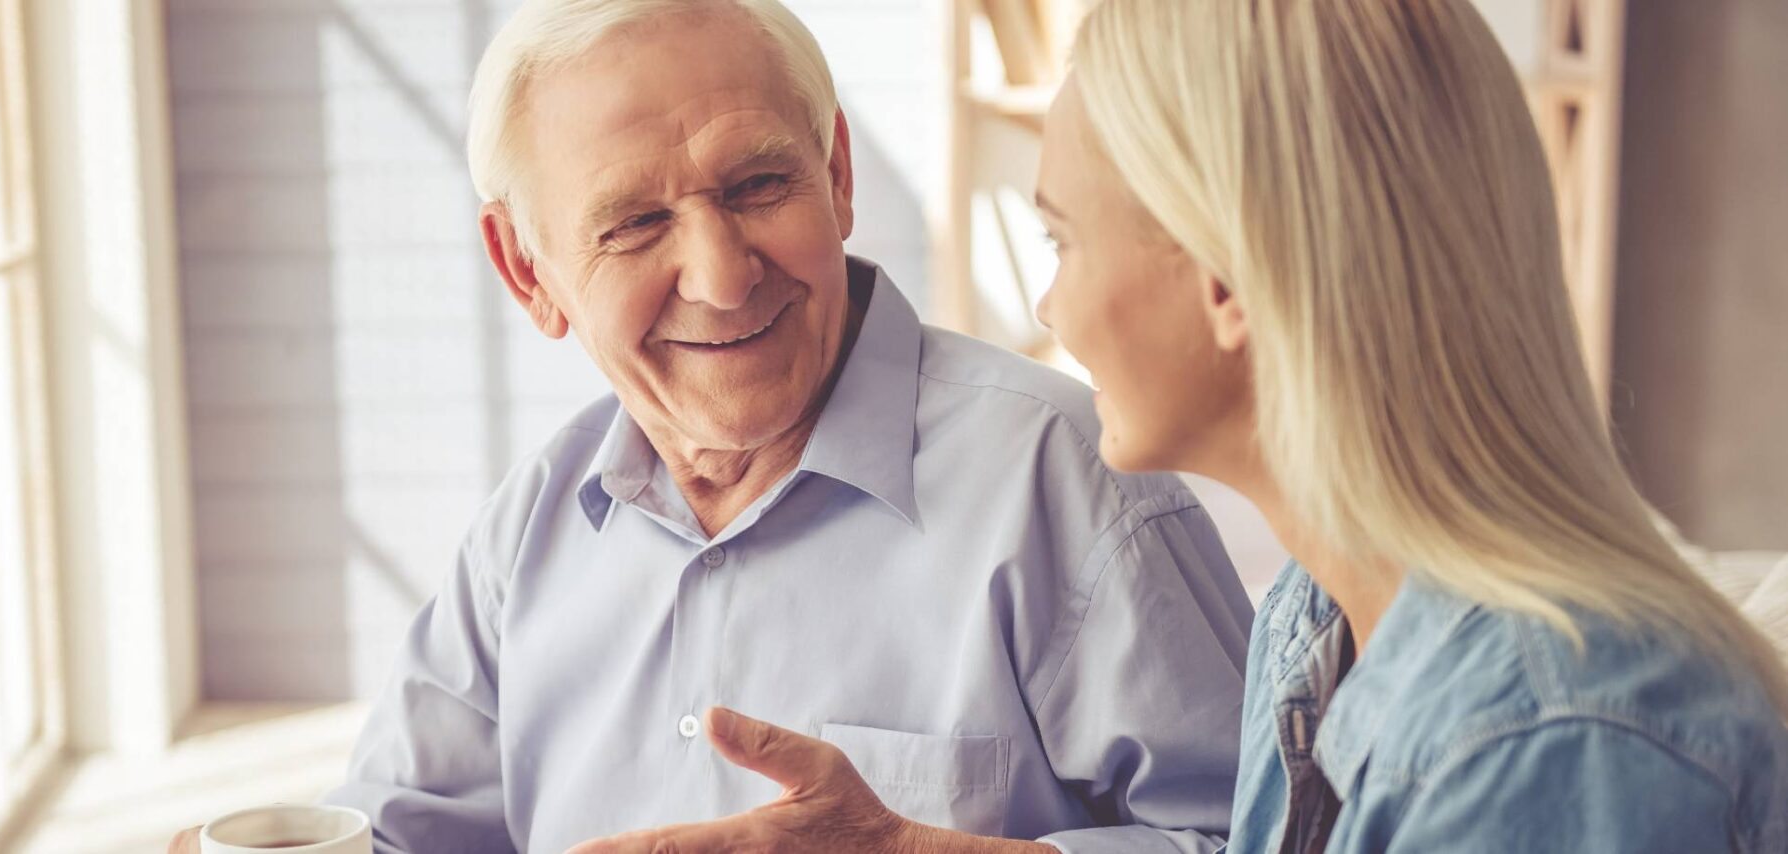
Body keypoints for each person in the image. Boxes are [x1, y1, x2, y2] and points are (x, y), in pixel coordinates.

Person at [571, 0, 1788, 852]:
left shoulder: (1554, 735)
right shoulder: (1320, 624)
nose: (1049, 304)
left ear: (1222, 275)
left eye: (1062, 239)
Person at [173, 1, 1255, 852]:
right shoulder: (532, 528)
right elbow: (404, 827)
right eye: (636, 221)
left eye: (757, 183)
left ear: (835, 177)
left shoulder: (1068, 474)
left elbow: (1269, 835)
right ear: (527, 271)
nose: (723, 277)